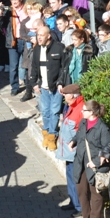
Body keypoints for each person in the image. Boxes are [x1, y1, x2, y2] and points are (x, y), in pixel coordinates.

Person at [70, 100, 110, 218]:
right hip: (80, 162)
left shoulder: (102, 128)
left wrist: (96, 162)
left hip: (94, 166)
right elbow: (79, 135)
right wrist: (73, 141)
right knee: (81, 191)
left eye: (84, 110)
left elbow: (108, 148)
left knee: (95, 195)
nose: (81, 112)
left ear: (92, 112)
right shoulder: (83, 122)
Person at [30, 23, 65, 151]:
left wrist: (61, 82)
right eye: (38, 35)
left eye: (41, 35)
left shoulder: (59, 48)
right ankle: (46, 132)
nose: (39, 38)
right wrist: (33, 83)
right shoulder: (37, 49)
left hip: (55, 86)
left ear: (48, 36)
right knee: (45, 111)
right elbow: (34, 67)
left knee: (54, 111)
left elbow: (64, 67)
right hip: (43, 87)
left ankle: (52, 136)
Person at [56, 84, 83, 216]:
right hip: (68, 152)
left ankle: (79, 207)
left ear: (72, 95)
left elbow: (81, 133)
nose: (64, 96)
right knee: (70, 178)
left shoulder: (80, 110)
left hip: (75, 152)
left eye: (65, 94)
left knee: (75, 179)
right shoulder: (71, 107)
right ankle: (73, 202)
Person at [0, 0, 28, 96]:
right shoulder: (8, 11)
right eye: (12, 0)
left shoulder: (26, 9)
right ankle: (14, 87)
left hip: (25, 40)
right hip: (13, 40)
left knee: (26, 65)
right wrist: (0, 13)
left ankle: (28, 86)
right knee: (13, 66)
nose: (14, 2)